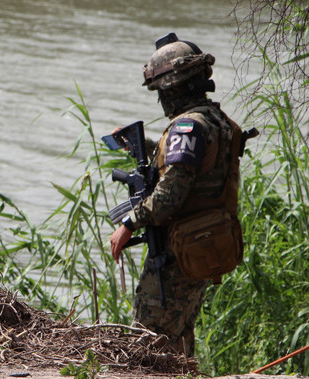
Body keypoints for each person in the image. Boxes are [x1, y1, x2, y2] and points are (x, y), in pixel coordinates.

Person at [109, 33, 245, 356]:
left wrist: (129, 222)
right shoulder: (216, 120)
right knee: (179, 340)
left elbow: (171, 193)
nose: (161, 100)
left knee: (147, 340)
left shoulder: (189, 126)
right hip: (203, 242)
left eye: (161, 91)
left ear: (172, 88)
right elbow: (191, 163)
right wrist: (142, 145)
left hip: (180, 252)